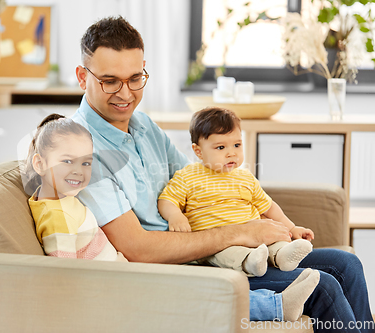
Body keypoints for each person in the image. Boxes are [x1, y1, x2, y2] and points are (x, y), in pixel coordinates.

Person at [72, 16, 374, 332]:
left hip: (211, 249)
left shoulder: (143, 125)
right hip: (178, 270)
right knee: (322, 286)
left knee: (348, 265)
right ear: (83, 77)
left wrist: (251, 213)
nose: (126, 93)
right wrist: (240, 232)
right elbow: (138, 249)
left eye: (135, 78)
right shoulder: (81, 150)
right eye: (110, 81)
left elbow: (198, 180)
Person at [158, 107, 314, 277]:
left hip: (257, 238)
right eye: (220, 147)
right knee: (229, 254)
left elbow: (269, 207)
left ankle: (282, 255)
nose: (231, 153)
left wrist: (292, 227)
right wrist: (175, 216)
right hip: (218, 246)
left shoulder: (246, 177)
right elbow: (167, 200)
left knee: (274, 243)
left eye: (237, 145)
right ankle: (251, 262)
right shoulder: (188, 176)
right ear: (198, 151)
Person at [23, 113, 127, 262]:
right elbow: (66, 272)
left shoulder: (59, 200)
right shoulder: (57, 217)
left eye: (86, 163)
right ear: (40, 164)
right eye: (67, 161)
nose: (78, 171)